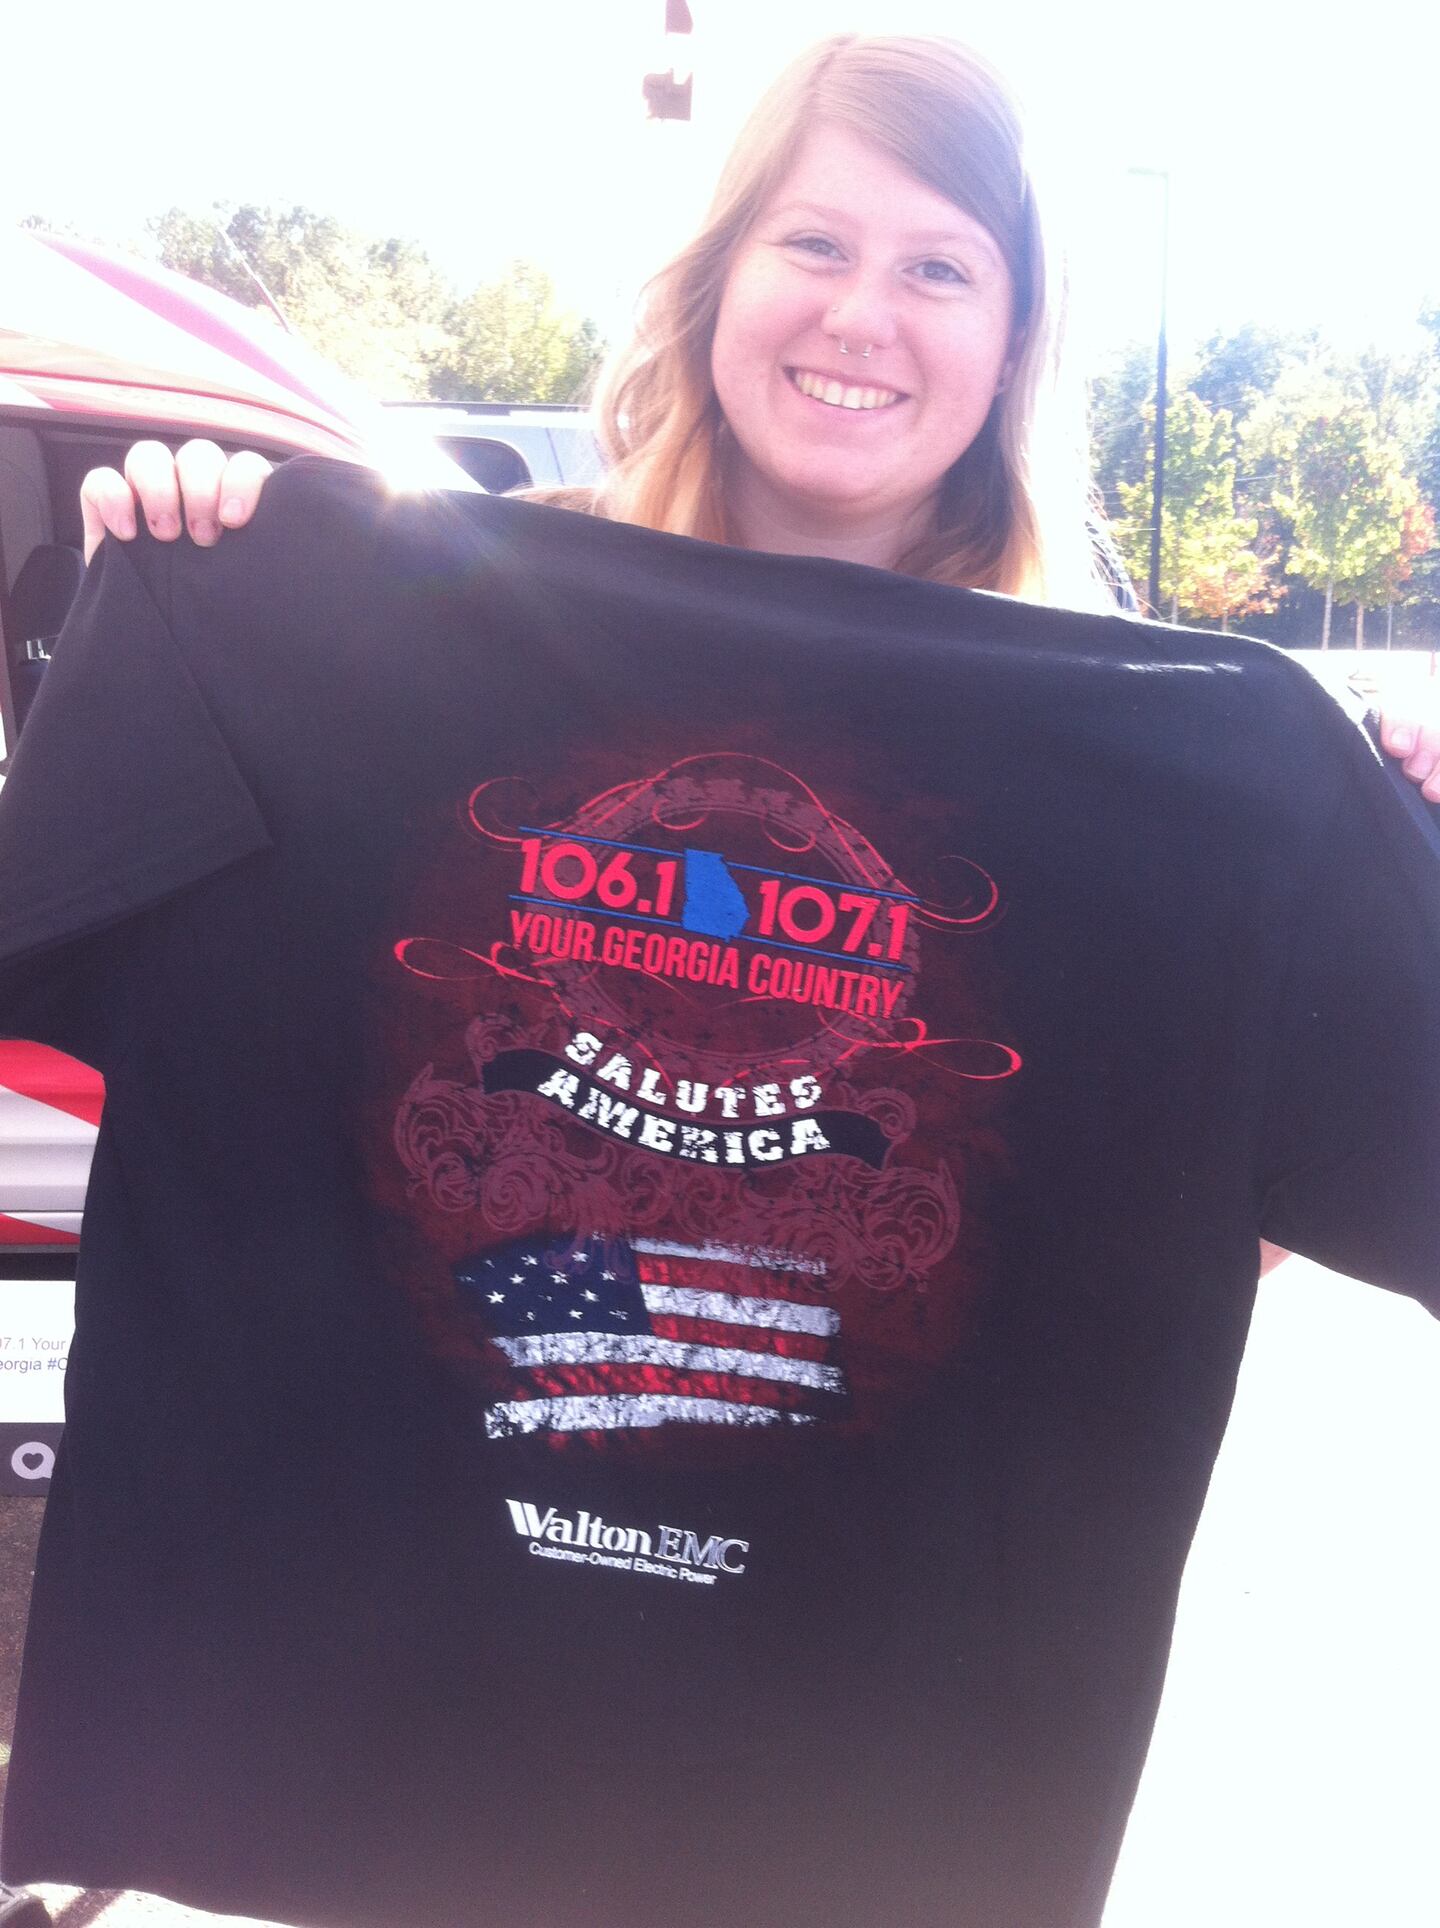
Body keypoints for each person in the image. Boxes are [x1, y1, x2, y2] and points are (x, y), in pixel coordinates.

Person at [77, 35, 1440, 799]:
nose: (861, 315)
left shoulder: (1112, 740)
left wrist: (1392, 814)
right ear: (718, 277)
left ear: (1015, 342)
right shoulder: (473, 611)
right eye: (814, 244)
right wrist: (186, 600)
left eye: (940, 270)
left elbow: (1256, 1167)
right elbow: (219, 942)